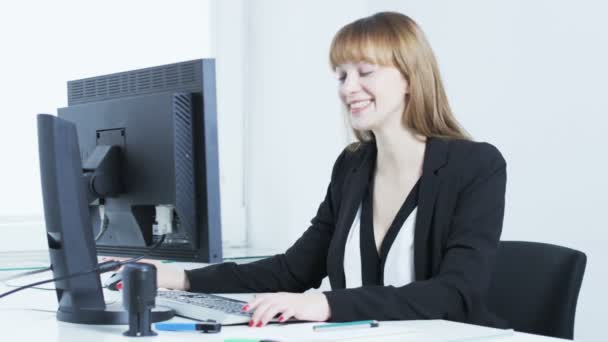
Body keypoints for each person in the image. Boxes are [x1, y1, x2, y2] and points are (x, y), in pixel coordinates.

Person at [143, 11, 508, 329]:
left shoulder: (475, 165)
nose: (349, 88)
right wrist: (182, 278)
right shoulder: (353, 165)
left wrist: (326, 304)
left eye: (365, 72)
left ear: (410, 78)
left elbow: (457, 293)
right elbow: (293, 270)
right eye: (341, 76)